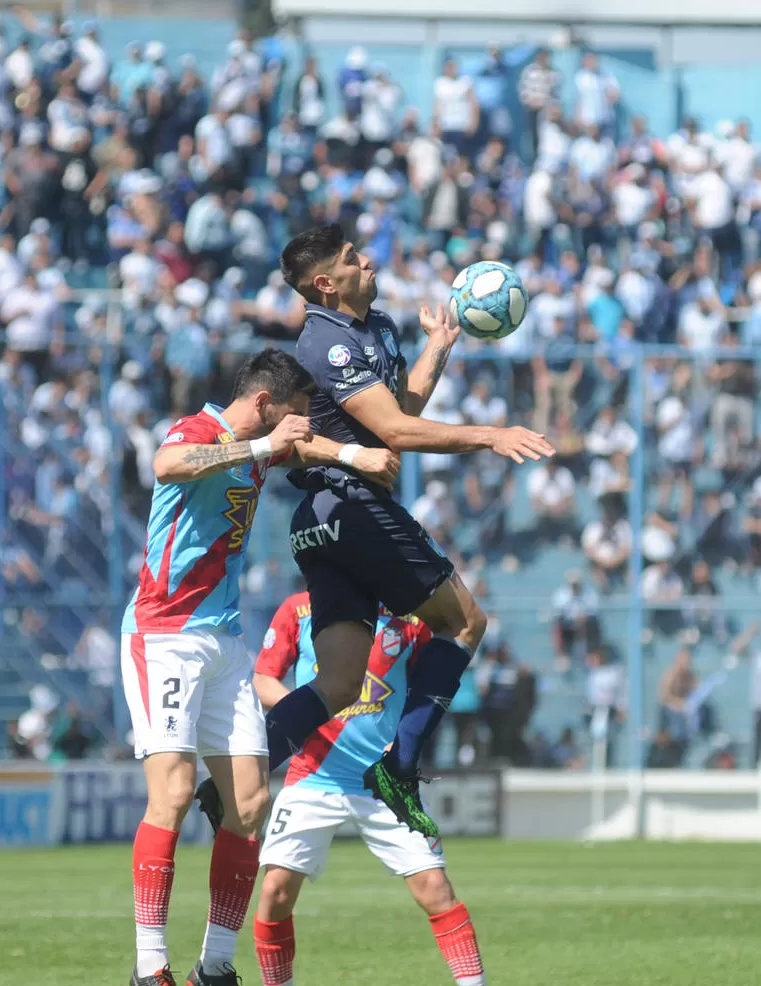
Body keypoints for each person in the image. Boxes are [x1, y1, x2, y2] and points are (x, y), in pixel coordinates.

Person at [219, 224, 552, 839]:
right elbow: (395, 435)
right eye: (352, 258)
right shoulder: (327, 345)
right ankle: (399, 765)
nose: (367, 260)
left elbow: (399, 412)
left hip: (323, 523)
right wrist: (492, 435)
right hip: (350, 511)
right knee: (465, 622)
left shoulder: (376, 329)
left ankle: (241, 774)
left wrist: (440, 347)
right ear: (326, 282)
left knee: (341, 681)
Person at [121, 348, 398, 986]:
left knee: (247, 802)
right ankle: (148, 963)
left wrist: (355, 457)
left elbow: (301, 448)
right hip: (164, 635)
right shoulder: (200, 431)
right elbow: (165, 466)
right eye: (296, 413)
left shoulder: (266, 441)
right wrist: (259, 444)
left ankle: (213, 966)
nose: (302, 425)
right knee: (175, 793)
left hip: (222, 641)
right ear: (267, 402)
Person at [243, 591, 517, 986]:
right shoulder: (300, 608)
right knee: (274, 892)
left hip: (382, 780)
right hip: (314, 776)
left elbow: (434, 681)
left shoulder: (410, 617)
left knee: (435, 889)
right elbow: (263, 679)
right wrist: (309, 705)